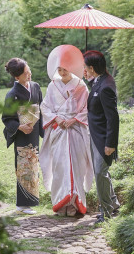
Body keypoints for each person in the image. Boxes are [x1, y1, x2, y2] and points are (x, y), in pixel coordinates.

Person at [39, 45, 93, 216]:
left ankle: (75, 202)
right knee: (59, 166)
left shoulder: (81, 86)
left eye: (65, 69)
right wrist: (57, 119)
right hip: (59, 129)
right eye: (60, 69)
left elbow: (86, 108)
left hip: (75, 129)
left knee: (77, 166)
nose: (62, 72)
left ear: (72, 68)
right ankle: (61, 202)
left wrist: (73, 119)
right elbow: (45, 107)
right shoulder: (52, 86)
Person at [2, 58, 44, 215]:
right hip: (21, 134)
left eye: (29, 70)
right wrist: (20, 126)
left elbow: (41, 107)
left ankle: (30, 202)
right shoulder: (12, 94)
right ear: (16, 77)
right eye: (26, 73)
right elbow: (7, 118)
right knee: (23, 166)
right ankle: (22, 204)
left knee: (33, 165)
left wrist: (43, 129)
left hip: (33, 131)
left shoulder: (35, 87)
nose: (30, 74)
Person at [83, 50, 120, 224]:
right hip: (95, 134)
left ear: (92, 67)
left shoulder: (106, 87)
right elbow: (95, 97)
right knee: (102, 173)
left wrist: (110, 144)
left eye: (86, 67)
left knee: (100, 173)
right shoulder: (99, 81)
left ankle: (106, 212)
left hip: (103, 138)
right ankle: (113, 203)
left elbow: (113, 117)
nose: (84, 69)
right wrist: (89, 79)